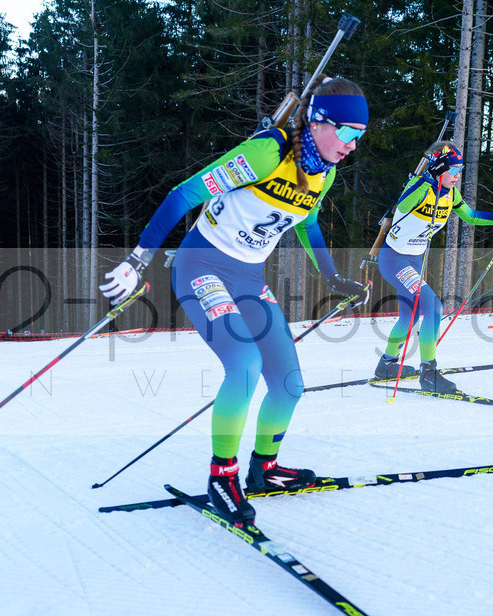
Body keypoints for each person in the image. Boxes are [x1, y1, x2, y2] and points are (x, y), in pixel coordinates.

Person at [100, 76, 370, 524]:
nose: (351, 145)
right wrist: (137, 259)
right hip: (201, 266)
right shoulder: (266, 153)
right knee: (244, 364)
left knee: (289, 383)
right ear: (318, 121)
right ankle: (221, 478)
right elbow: (184, 194)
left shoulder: (325, 172)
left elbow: (307, 223)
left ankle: (264, 469)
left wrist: (335, 278)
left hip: (247, 277)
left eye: (359, 136)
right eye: (346, 132)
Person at [367, 142, 493, 393]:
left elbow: (470, 216)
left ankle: (386, 365)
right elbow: (403, 206)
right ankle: (428, 373)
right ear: (439, 168)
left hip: (414, 260)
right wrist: (425, 180)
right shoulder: (419, 186)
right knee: (433, 307)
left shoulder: (451, 194)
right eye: (453, 170)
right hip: (394, 259)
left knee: (410, 316)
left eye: (460, 170)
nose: (457, 175)